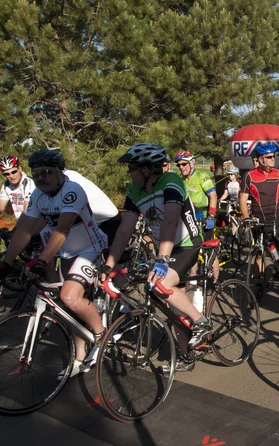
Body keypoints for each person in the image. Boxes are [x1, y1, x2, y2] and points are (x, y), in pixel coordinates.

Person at [102, 143, 210, 372]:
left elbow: (171, 221)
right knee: (169, 302)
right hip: (166, 248)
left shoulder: (171, 181)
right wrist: (108, 265)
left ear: (146, 169)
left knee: (159, 284)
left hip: (186, 243)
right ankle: (186, 356)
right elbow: (124, 230)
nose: (128, 173)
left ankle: (201, 322)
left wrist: (162, 259)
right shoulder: (135, 191)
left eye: (131, 168)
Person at [0, 149, 108, 378]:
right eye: (37, 174)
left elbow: (62, 229)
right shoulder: (39, 195)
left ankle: (102, 336)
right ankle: (79, 358)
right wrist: (6, 261)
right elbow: (27, 229)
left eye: (47, 172)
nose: (41, 178)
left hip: (90, 248)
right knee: (66, 307)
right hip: (66, 253)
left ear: (60, 172)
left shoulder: (72, 191)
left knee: (70, 296)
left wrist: (42, 259)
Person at [239, 143, 279, 300]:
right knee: (260, 254)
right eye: (269, 157)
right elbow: (242, 200)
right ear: (260, 159)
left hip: (278, 219)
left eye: (274, 156)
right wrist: (246, 219)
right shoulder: (249, 176)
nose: (273, 159)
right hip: (259, 221)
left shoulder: (278, 174)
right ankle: (258, 283)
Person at [174, 151, 218, 284]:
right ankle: (193, 280)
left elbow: (213, 196)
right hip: (188, 218)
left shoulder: (201, 175)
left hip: (203, 217)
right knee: (191, 249)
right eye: (179, 165)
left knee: (209, 250)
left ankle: (216, 282)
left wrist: (211, 216)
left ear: (191, 163)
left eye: (184, 164)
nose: (181, 167)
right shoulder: (180, 180)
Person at [0, 155, 35, 223]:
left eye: (14, 172)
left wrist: (16, 229)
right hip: (22, 224)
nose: (11, 176)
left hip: (36, 225)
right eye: (7, 174)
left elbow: (26, 212)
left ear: (19, 169)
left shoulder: (29, 183)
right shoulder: (6, 185)